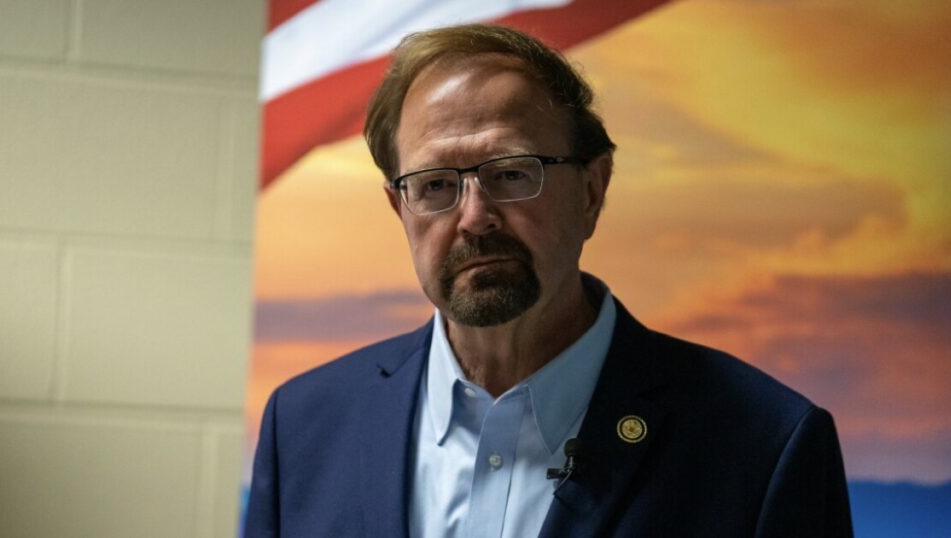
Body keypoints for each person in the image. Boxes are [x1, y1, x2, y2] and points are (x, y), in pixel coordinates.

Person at [245, 24, 853, 538]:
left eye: (511, 173)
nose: (474, 216)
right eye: (435, 185)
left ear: (593, 190)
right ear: (399, 208)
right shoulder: (301, 430)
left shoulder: (765, 445)